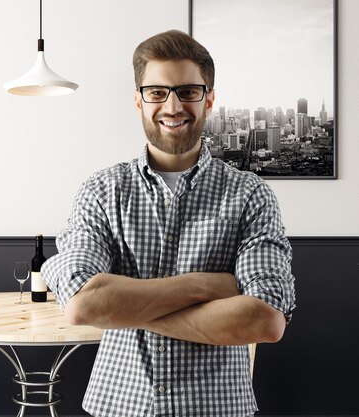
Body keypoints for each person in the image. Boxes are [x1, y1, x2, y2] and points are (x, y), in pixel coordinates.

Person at [41, 29, 296, 417]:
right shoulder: (102, 190)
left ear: (209, 100)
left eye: (188, 92)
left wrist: (125, 307)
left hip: (217, 408)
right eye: (157, 92)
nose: (173, 106)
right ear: (139, 101)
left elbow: (265, 319)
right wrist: (208, 285)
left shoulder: (250, 195)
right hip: (119, 405)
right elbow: (82, 306)